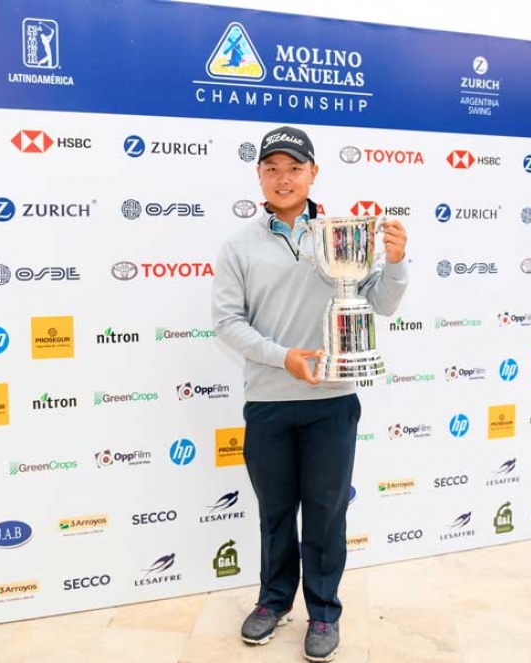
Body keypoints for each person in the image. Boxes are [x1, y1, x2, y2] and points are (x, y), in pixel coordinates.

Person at [211, 126, 408, 662]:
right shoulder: (238, 245)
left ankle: (323, 611)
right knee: (276, 512)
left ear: (313, 173)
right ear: (258, 175)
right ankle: (273, 602)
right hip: (270, 401)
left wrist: (395, 261)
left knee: (325, 512)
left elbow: (380, 305)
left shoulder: (342, 232)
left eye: (294, 168)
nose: (283, 178)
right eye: (271, 168)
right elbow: (227, 323)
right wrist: (286, 358)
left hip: (333, 402)